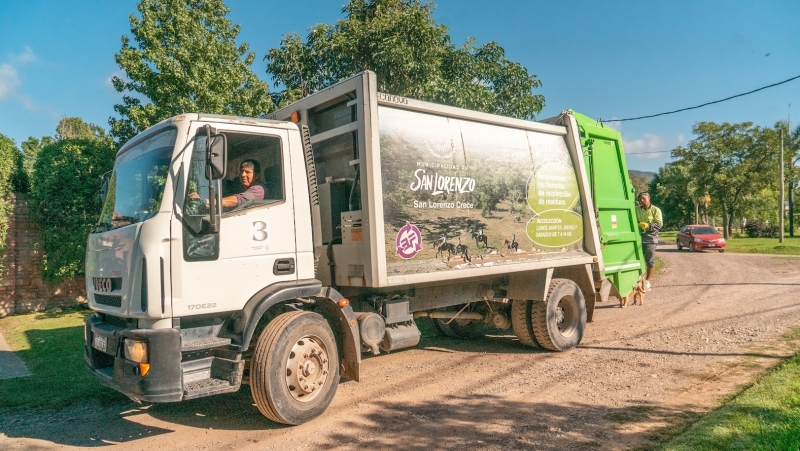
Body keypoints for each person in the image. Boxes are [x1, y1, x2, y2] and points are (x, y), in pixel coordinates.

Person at [635, 192, 663, 290]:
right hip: (638, 237)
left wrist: (648, 226)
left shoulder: (655, 210)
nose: (642, 201)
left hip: (650, 239)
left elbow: (659, 224)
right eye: (640, 199)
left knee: (649, 261)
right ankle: (638, 280)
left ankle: (647, 282)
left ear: (649, 198)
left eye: (644, 199)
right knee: (637, 260)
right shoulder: (636, 209)